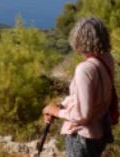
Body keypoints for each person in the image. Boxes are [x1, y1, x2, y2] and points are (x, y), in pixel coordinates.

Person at [42, 17, 116, 157]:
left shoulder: (84, 69)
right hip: (100, 133)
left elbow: (82, 115)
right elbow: (87, 97)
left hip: (81, 137)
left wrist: (57, 112)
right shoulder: (107, 59)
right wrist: (61, 106)